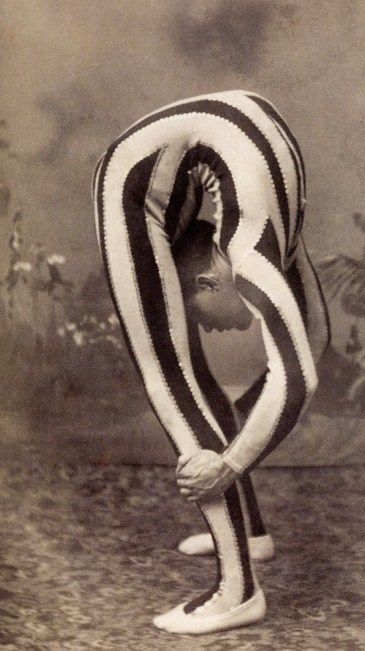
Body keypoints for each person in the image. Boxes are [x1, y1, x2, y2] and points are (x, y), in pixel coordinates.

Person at [92, 89, 331, 634]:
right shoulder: (269, 241)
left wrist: (228, 462)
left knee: (176, 373)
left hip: (226, 141)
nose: (214, 326)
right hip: (134, 177)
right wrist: (248, 436)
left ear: (205, 280)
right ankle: (247, 536)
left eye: (200, 313)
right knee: (172, 369)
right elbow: (307, 350)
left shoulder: (250, 253)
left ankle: (237, 593)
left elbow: (303, 367)